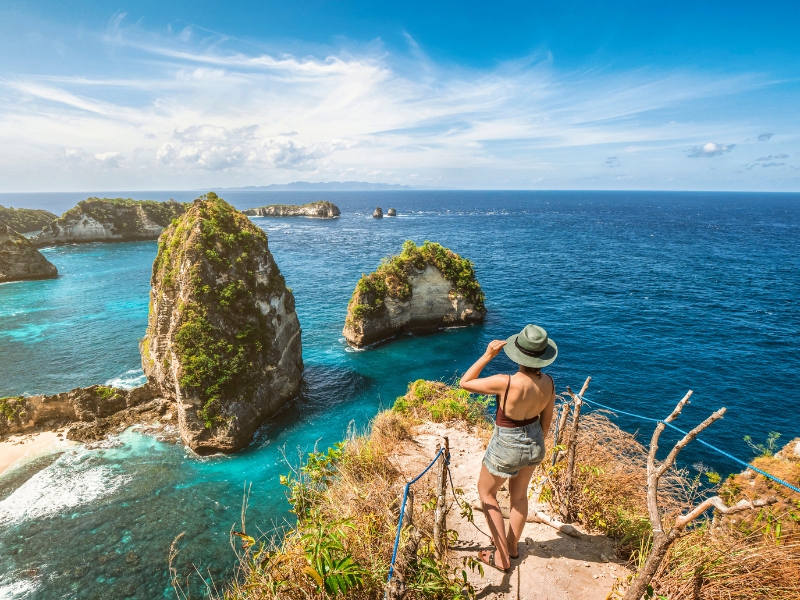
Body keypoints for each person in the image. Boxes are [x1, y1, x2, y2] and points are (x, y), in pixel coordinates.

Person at [460, 324, 557, 571]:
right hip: (535, 441)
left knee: (486, 493)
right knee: (519, 496)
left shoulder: (506, 382)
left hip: (507, 443)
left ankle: (501, 557)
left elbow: (465, 382)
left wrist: (487, 355)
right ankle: (512, 547)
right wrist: (534, 446)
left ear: (518, 353)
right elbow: (546, 422)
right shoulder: (549, 383)